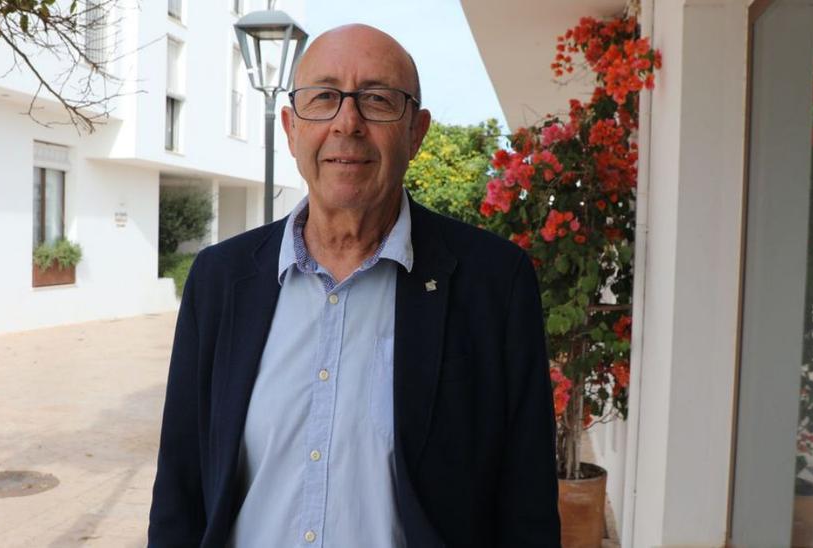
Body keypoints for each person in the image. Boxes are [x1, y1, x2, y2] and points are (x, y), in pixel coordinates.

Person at [147, 24, 559, 548]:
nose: (348, 122)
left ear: (417, 131)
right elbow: (180, 492)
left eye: (377, 99)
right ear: (291, 128)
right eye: (323, 98)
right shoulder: (220, 279)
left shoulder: (494, 284)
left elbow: (527, 509)